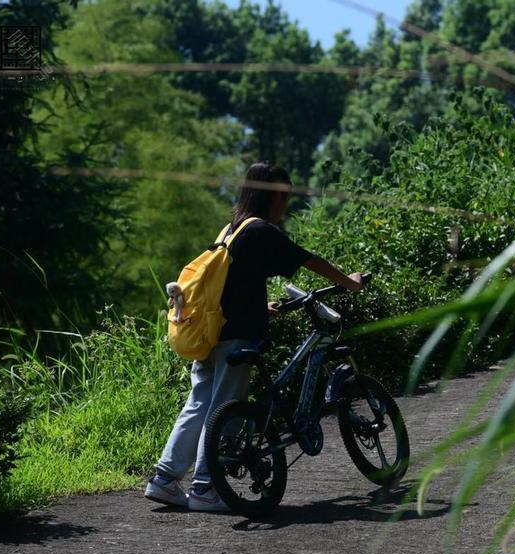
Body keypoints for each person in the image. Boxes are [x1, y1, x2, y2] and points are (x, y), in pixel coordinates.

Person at [144, 162, 362, 512]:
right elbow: (307, 260)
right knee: (224, 411)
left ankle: (165, 479)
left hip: (210, 333)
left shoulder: (229, 230)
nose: (284, 205)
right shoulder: (261, 231)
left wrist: (264, 307)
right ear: (267, 196)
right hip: (237, 338)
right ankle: (206, 487)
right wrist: (348, 282)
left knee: (199, 405)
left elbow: (232, 285)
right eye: (282, 197)